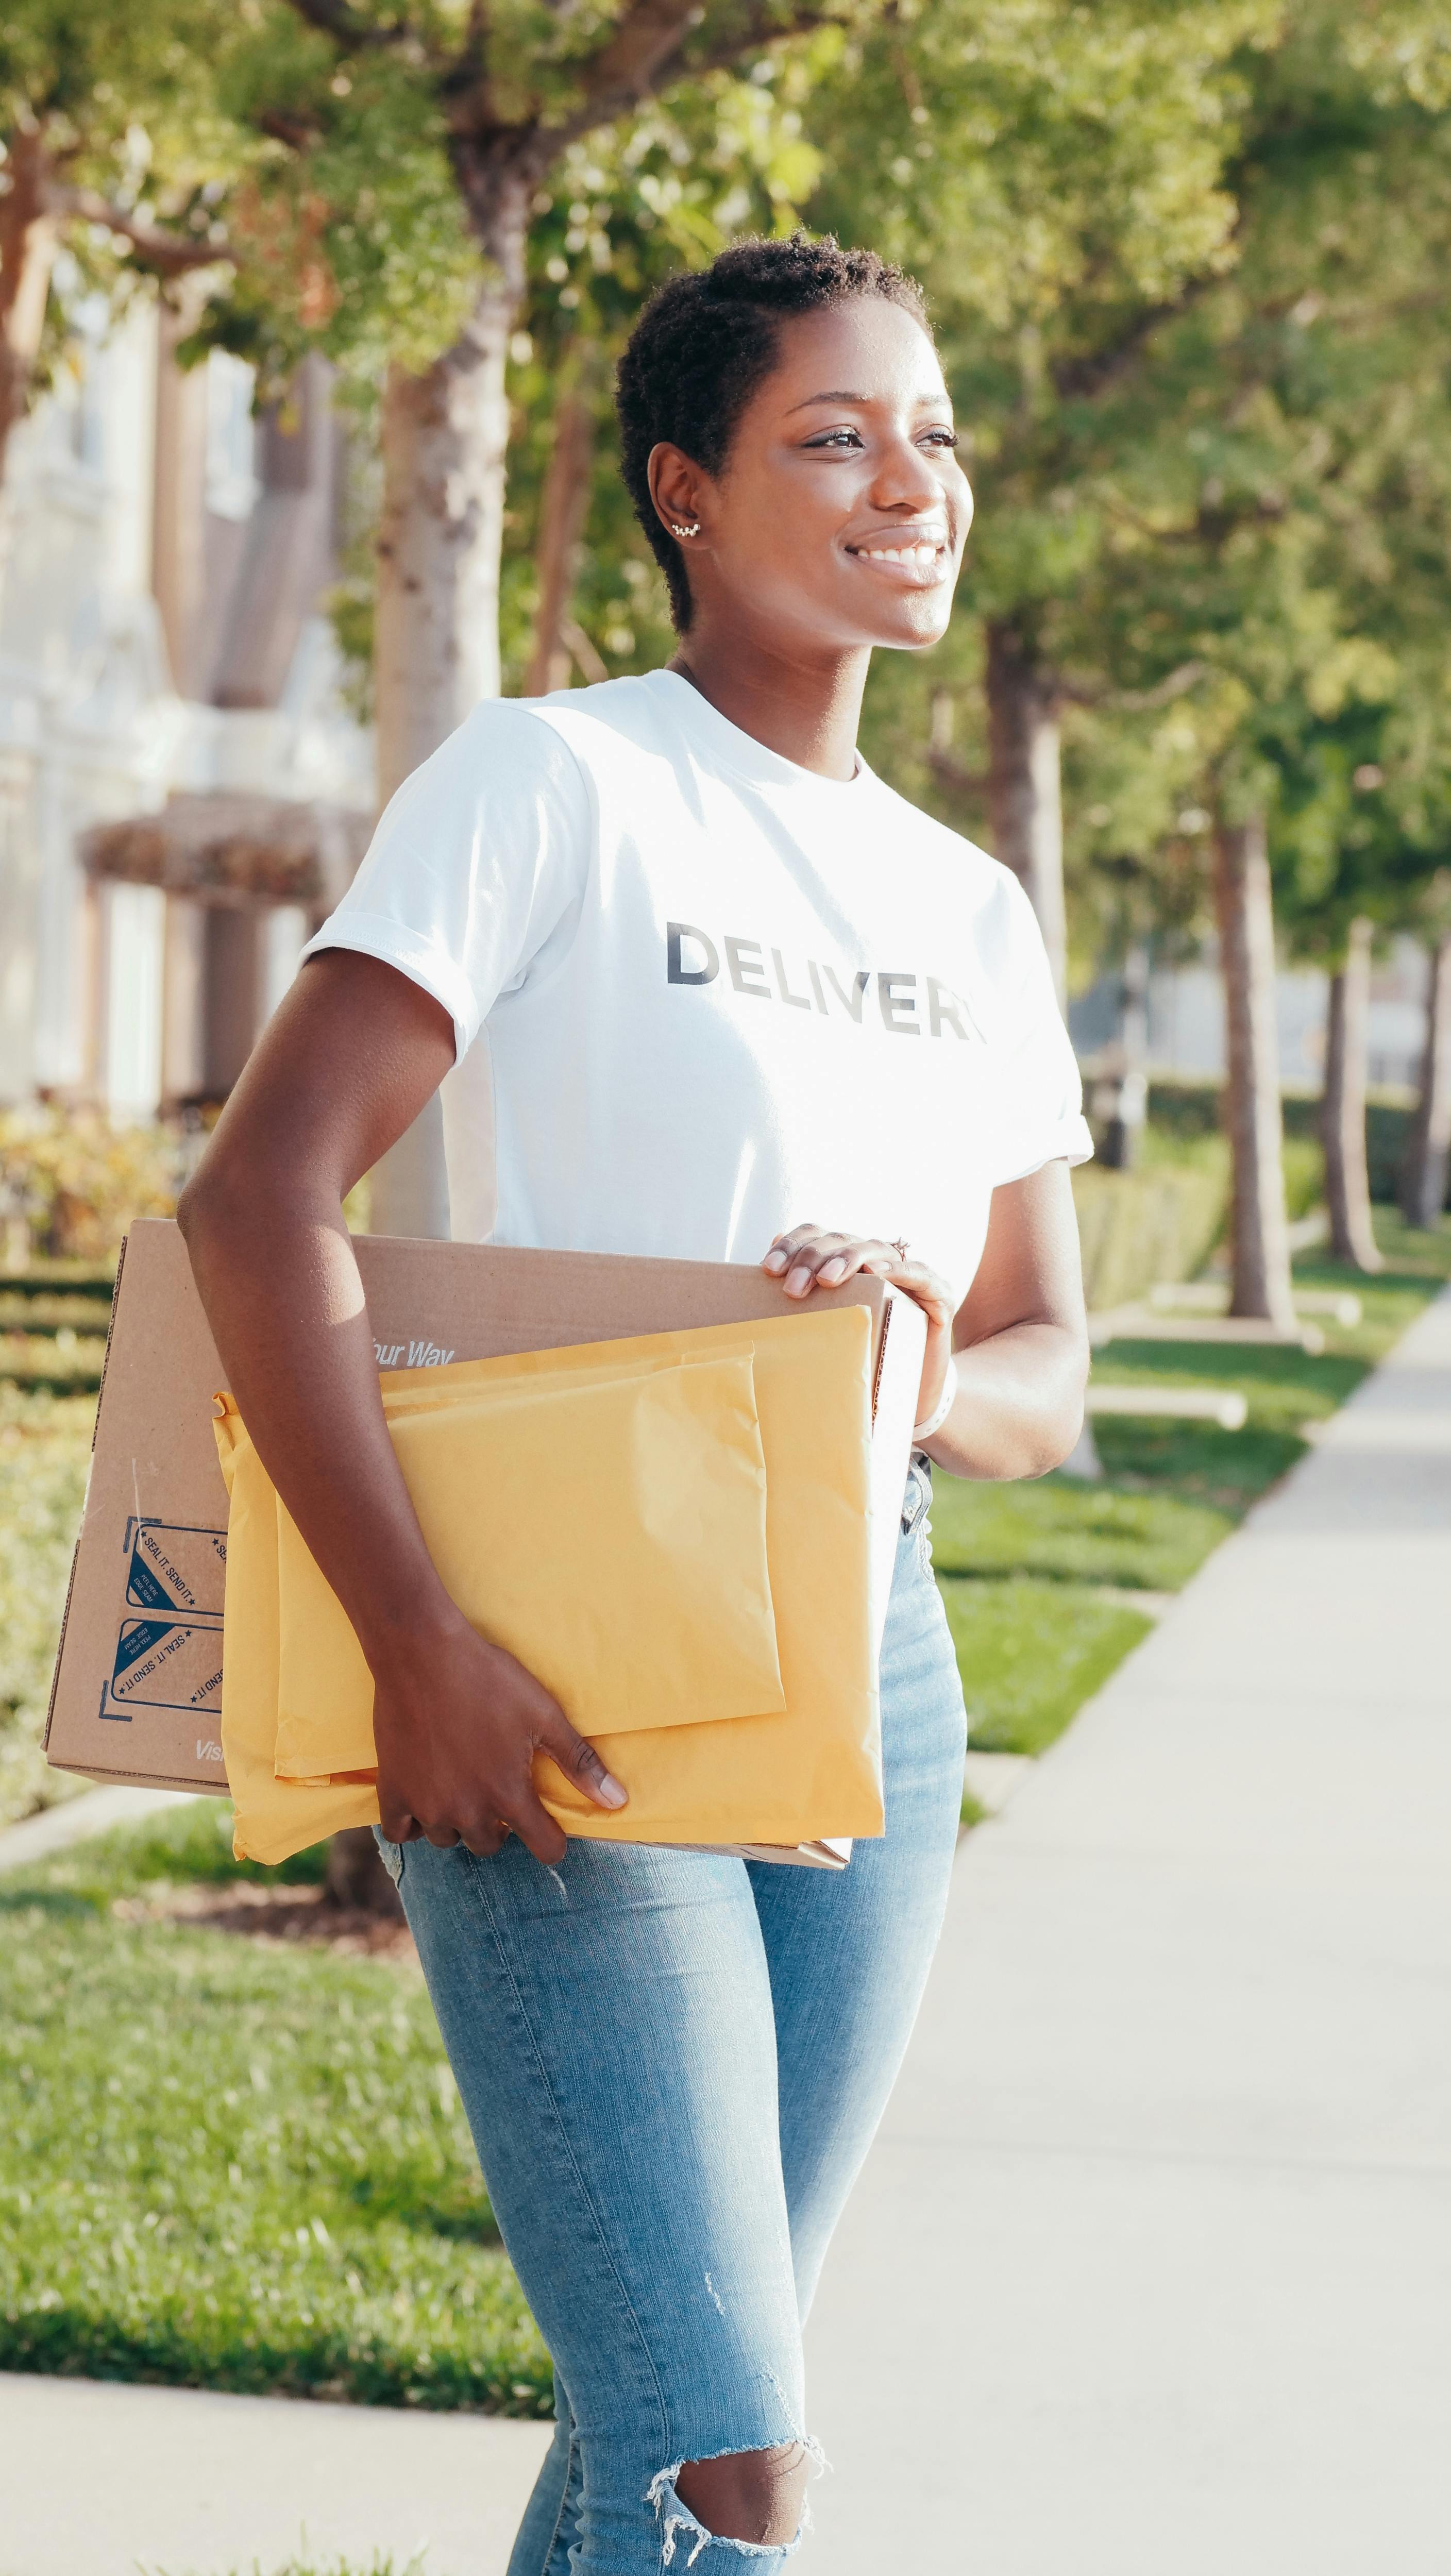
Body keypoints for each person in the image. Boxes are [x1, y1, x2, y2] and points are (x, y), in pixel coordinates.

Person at [179, 233, 1092, 2572]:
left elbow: (1041, 1369)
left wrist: (906, 1368)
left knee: (678, 2401)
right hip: (555, 1665)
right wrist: (416, 1646)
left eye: (936, 436)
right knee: (726, 2453)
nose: (911, 481)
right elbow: (259, 1200)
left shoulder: (970, 907)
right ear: (684, 489)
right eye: (833, 435)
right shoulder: (555, 779)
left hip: (865, 1672)